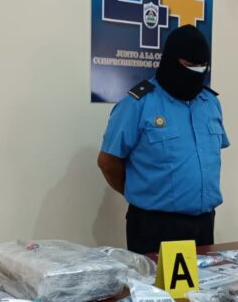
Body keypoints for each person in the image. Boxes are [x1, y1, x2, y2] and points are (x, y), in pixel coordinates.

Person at [97, 25, 230, 254]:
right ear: (170, 61)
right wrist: (140, 193)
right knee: (155, 280)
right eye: (189, 66)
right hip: (155, 226)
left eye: (202, 67)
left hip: (204, 224)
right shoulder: (138, 103)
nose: (197, 73)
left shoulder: (210, 103)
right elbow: (108, 163)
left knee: (203, 279)